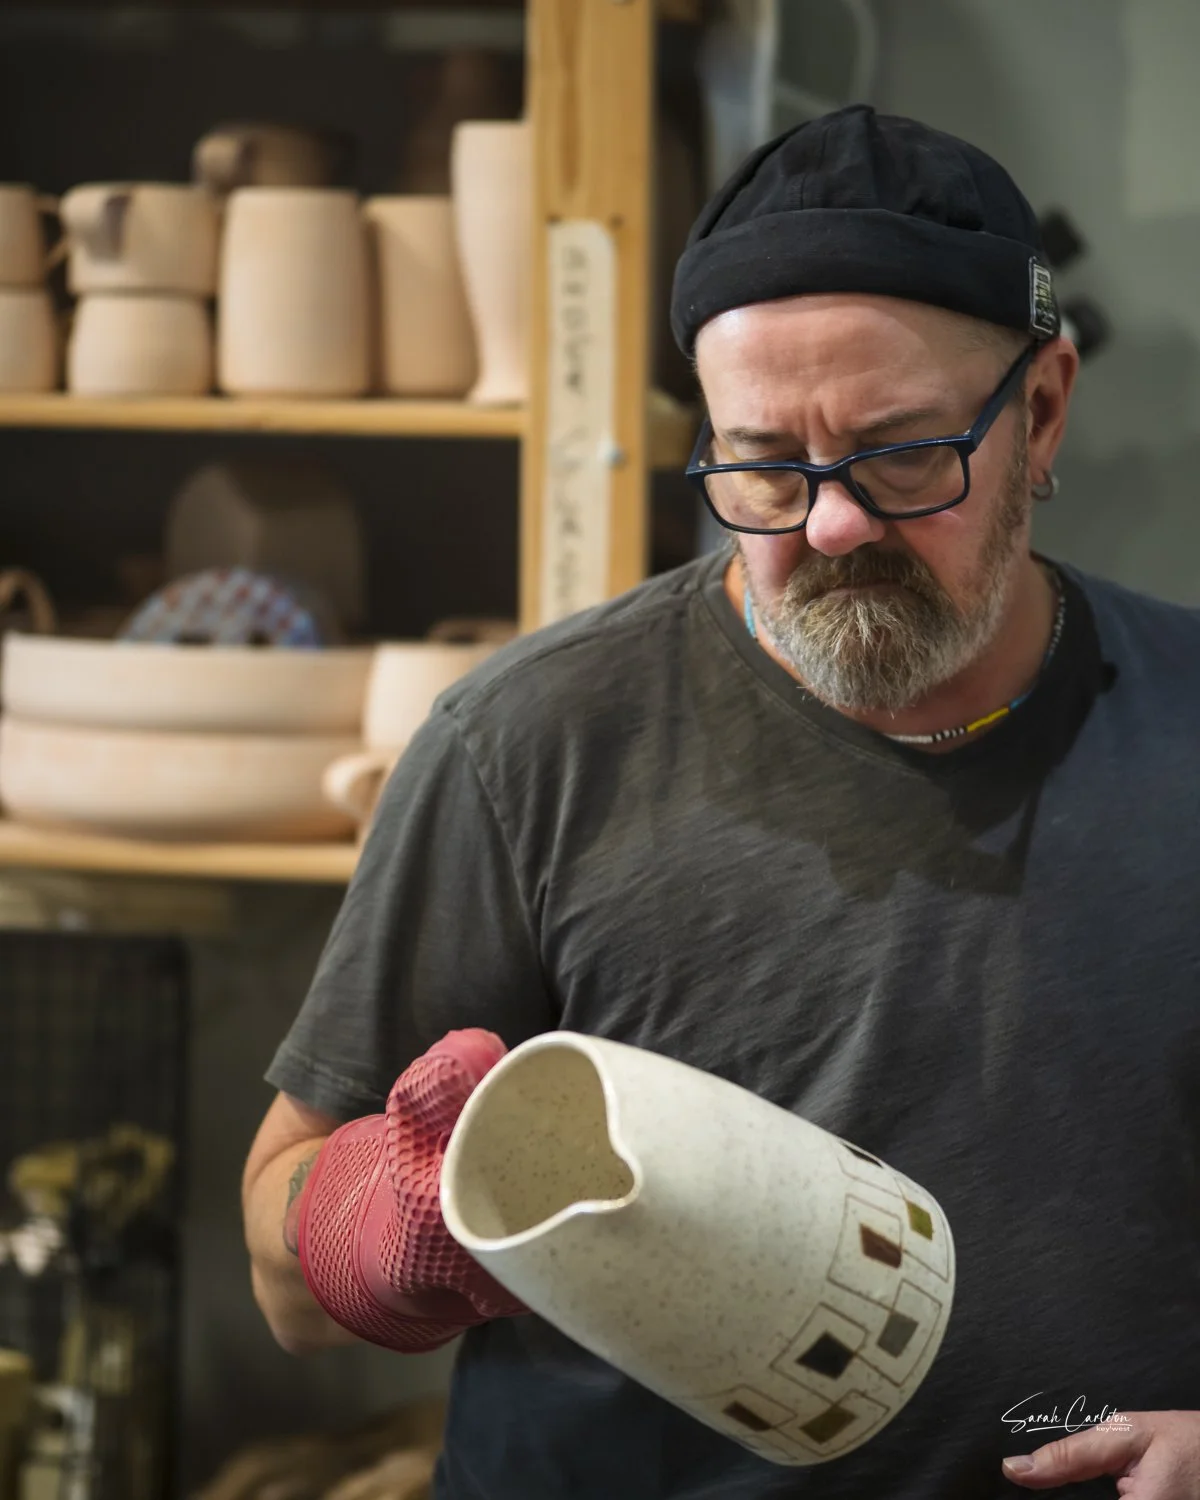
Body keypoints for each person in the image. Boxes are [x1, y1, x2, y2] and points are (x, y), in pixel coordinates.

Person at [243, 104, 1200, 1499]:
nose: (831, 525)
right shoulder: (529, 745)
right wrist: (377, 1223)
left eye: (901, 454)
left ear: (1041, 411)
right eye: (762, 463)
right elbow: (278, 1273)